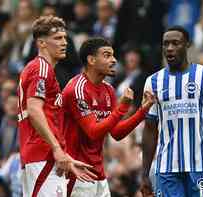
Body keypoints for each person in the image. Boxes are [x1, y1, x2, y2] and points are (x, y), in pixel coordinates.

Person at [62, 37, 156, 197]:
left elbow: (116, 133)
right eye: (107, 55)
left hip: (99, 173)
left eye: (113, 55)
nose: (113, 60)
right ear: (91, 60)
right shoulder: (76, 89)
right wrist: (122, 107)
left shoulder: (108, 90)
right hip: (77, 173)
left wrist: (142, 111)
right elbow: (93, 131)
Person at [140, 26, 203, 197]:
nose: (170, 48)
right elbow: (150, 128)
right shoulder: (153, 82)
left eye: (175, 43)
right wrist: (144, 173)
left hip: (201, 166)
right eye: (166, 44)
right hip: (167, 168)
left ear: (187, 45)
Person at [17, 16, 95, 197]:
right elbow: (34, 110)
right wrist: (57, 149)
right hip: (42, 155)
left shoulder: (43, 71)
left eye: (65, 38)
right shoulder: (40, 69)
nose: (64, 42)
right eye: (58, 38)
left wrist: (65, 155)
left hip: (44, 156)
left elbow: (47, 118)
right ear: (41, 43)